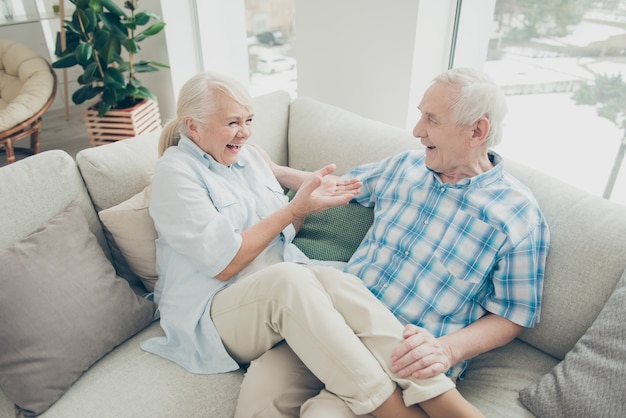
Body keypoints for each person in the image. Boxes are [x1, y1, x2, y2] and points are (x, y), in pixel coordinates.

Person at [139, 71, 484, 418]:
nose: (243, 132)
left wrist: (302, 203)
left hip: (279, 301)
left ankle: (441, 398)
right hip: (214, 312)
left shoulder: (250, 158)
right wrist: (294, 208)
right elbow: (226, 263)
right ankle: (396, 412)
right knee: (291, 279)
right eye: (232, 122)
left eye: (248, 120)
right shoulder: (175, 173)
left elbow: (282, 235)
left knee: (337, 282)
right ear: (193, 127)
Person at [235, 67, 550, 417]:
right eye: (420, 115)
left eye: (431, 120)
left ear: (477, 130)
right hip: (329, 325)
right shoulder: (406, 166)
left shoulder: (518, 216)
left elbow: (513, 315)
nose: (417, 131)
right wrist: (273, 171)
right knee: (259, 395)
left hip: (405, 358)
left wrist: (447, 350)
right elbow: (342, 188)